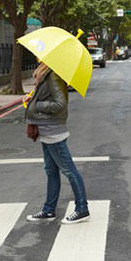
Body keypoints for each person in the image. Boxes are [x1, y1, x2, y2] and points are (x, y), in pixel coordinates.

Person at [25, 62, 90, 224]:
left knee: (69, 171)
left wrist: (36, 105)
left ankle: (82, 209)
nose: (37, 54)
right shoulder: (44, 73)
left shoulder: (53, 75)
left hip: (53, 131)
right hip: (46, 129)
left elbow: (60, 104)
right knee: (51, 171)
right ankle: (49, 210)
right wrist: (32, 100)